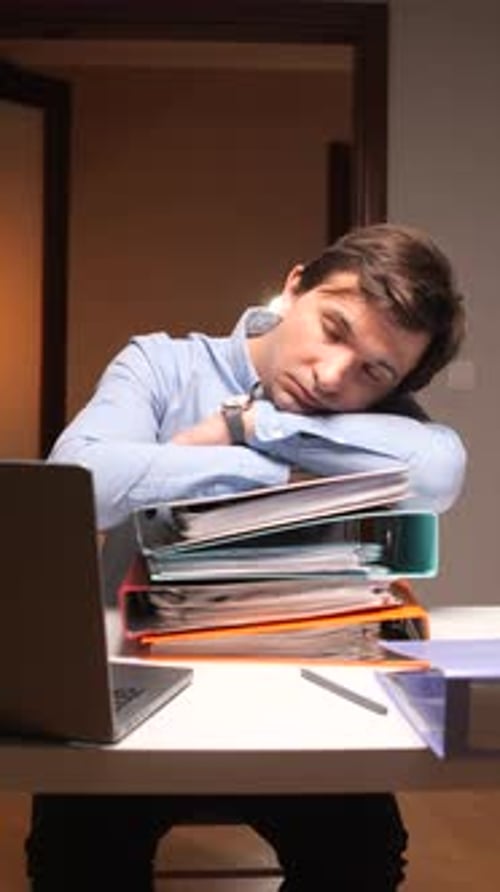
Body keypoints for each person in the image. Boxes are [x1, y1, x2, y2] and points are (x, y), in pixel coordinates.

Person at [27, 223, 467, 891]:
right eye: (334, 328)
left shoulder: (383, 418)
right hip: (139, 684)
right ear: (294, 290)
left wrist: (251, 426)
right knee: (75, 859)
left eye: (374, 371)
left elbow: (439, 472)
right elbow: (82, 481)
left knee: (364, 855)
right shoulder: (162, 364)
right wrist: (270, 472)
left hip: (300, 689)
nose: (331, 375)